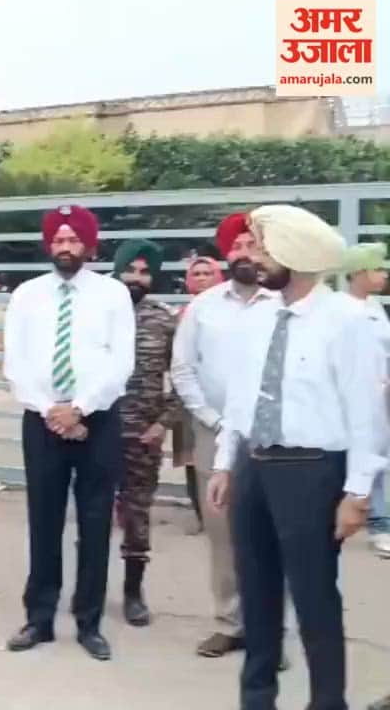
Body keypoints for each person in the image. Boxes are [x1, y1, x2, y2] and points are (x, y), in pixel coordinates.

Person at [206, 204, 383, 710]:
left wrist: (357, 492)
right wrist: (224, 463)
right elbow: (241, 398)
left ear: (295, 254)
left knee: (314, 597)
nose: (254, 258)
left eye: (262, 248)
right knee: (256, 595)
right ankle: (257, 698)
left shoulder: (346, 320)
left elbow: (365, 411)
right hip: (254, 468)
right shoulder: (258, 316)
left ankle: (328, 702)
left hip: (311, 471)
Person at [2, 204, 135, 661]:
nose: (65, 247)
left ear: (88, 245)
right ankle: (39, 618)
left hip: (97, 420)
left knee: (96, 523)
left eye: (73, 239)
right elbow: (15, 363)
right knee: (44, 520)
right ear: (48, 245)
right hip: (41, 420)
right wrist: (51, 410)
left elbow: (121, 364)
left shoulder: (113, 295)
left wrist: (79, 408)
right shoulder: (26, 295)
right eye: (58, 240)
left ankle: (89, 622)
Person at [171, 212, 278, 660]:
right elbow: (183, 368)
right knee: (223, 533)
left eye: (253, 246)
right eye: (237, 246)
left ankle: (270, 629)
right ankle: (230, 623)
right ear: (225, 254)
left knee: (272, 532)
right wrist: (212, 419)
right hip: (214, 432)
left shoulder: (281, 304)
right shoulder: (204, 307)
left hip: (273, 436)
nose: (244, 254)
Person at [111, 239, 179, 627]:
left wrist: (162, 423)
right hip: (96, 433)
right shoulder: (97, 310)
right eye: (130, 270)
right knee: (90, 514)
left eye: (144, 272)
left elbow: (184, 378)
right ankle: (88, 589)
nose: (137, 278)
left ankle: (133, 593)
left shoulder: (163, 319)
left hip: (142, 436)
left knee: (137, 514)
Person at [342, 242, 390, 559]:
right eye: (378, 268)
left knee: (382, 458)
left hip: (381, 396)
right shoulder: (340, 309)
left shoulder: (376, 308)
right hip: (351, 397)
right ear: (359, 272)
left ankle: (380, 523)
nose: (384, 274)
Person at [173, 253, 224, 534]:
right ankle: (203, 516)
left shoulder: (229, 310)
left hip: (220, 397)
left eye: (208, 273)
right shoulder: (181, 315)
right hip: (188, 398)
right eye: (197, 274)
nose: (202, 279)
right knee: (192, 458)